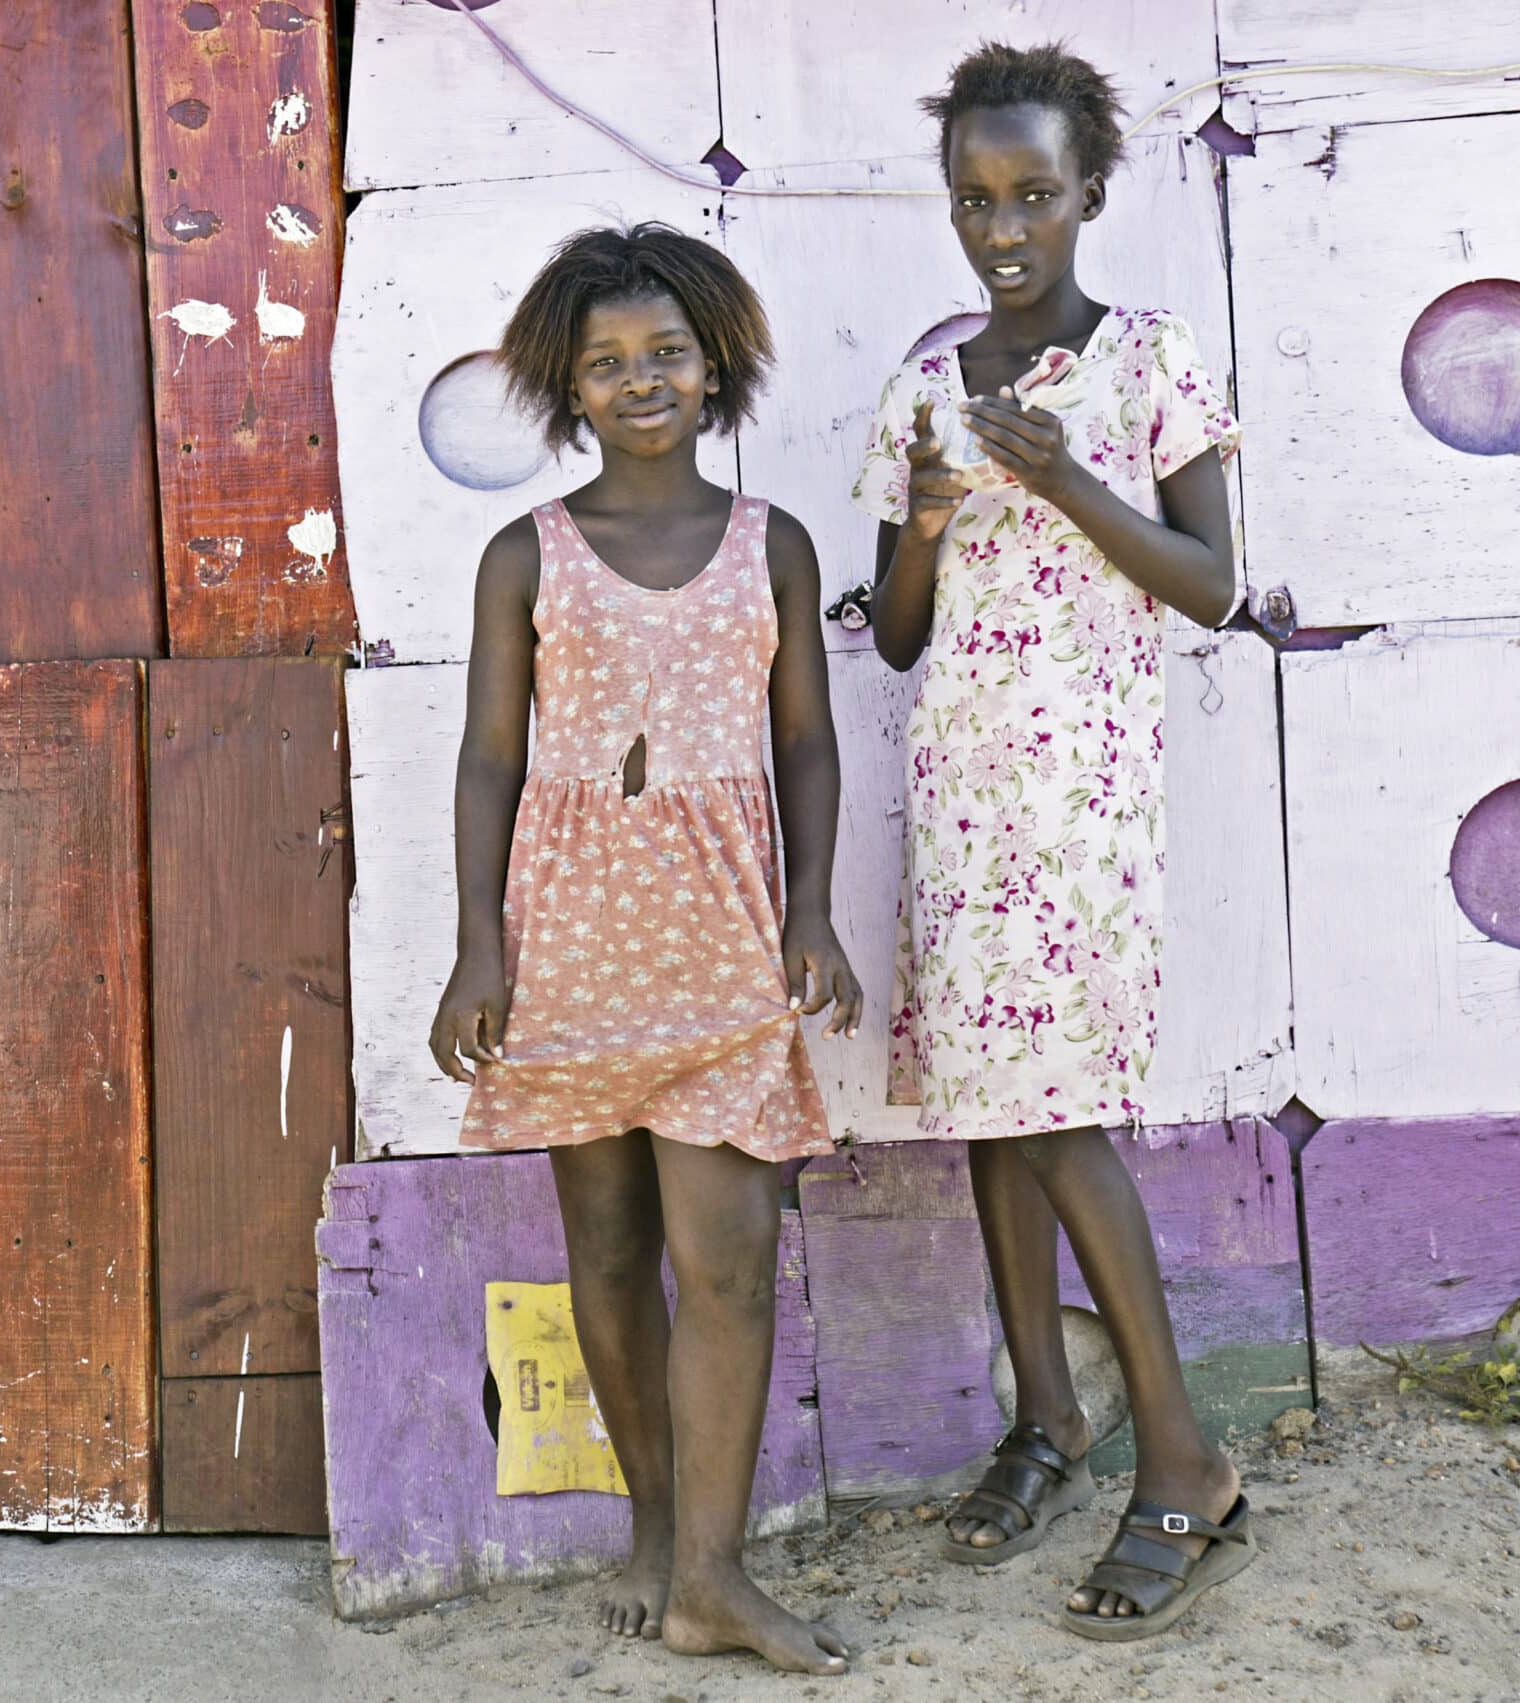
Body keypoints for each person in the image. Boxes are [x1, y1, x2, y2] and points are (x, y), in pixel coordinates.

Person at [853, 42, 1254, 1641]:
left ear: (1088, 191)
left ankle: (1185, 1457)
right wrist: (938, 521)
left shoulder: (1151, 357)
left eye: (1032, 195)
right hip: (960, 792)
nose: (1002, 227)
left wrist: (1070, 479)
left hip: (1081, 804)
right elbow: (890, 638)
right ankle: (1047, 1418)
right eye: (975, 199)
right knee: (988, 1114)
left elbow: (1213, 587)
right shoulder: (925, 381)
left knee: (1060, 1108)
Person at [430, 222, 860, 1678]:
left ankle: (718, 1577)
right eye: (607, 363)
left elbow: (803, 740)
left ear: (715, 361)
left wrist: (810, 914)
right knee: (608, 1254)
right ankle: (661, 1532)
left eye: (665, 352)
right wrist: (477, 949)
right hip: (570, 946)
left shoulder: (772, 545)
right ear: (568, 387)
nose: (641, 381)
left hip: (723, 939)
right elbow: (490, 762)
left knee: (726, 1262)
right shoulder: (526, 557)